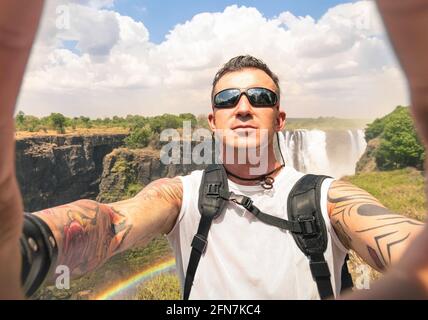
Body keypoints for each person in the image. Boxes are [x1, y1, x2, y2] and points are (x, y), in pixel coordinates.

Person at [0, 0, 427, 300]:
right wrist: (24, 246)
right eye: (227, 100)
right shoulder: (181, 196)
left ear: (280, 119)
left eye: (260, 96)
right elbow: (110, 223)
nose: (243, 107)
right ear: (213, 121)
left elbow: (397, 237)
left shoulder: (328, 197)